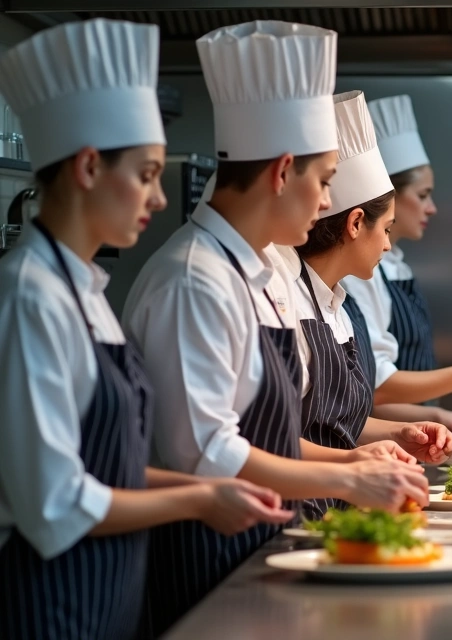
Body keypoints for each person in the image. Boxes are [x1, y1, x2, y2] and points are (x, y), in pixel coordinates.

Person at [122, 21, 429, 634]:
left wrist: (355, 464)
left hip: (269, 540)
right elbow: (206, 453)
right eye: (322, 181)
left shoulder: (258, 274)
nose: (324, 205)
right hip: (211, 558)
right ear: (283, 172)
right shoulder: (195, 279)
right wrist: (346, 475)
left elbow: (280, 427)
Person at [0, 19, 293, 640]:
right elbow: (57, 502)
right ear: (86, 167)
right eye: (147, 173)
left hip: (110, 598)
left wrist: (208, 491)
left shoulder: (85, 293)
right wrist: (198, 498)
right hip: (52, 608)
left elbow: (119, 465)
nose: (160, 199)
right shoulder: (29, 296)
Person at [275, 90, 452, 519]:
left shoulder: (334, 302)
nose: (389, 243)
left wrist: (399, 431)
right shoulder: (282, 294)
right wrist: (353, 464)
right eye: (387, 228)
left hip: (337, 513)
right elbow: (268, 435)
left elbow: (332, 425)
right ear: (356, 223)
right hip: (295, 517)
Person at [341, 94, 452, 434]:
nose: (432, 208)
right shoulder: (356, 274)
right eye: (423, 195)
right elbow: (375, 385)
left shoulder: (395, 266)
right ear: (390, 197)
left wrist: (434, 417)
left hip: (399, 433)